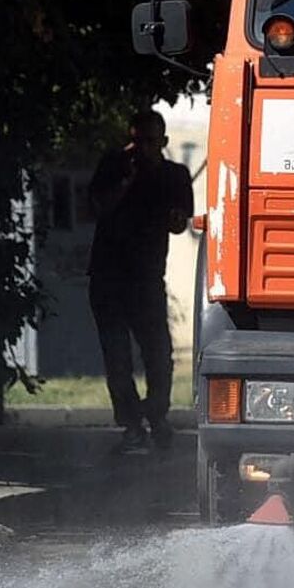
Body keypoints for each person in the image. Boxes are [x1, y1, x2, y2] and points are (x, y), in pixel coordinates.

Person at [87, 109, 194, 452]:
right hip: (108, 275)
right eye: (136, 140)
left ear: (162, 142)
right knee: (117, 356)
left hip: (146, 277)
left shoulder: (174, 176)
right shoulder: (114, 165)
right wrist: (126, 180)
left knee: (158, 352)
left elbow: (179, 223)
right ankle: (131, 422)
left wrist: (175, 217)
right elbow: (99, 206)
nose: (141, 148)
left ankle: (157, 415)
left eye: (149, 141)